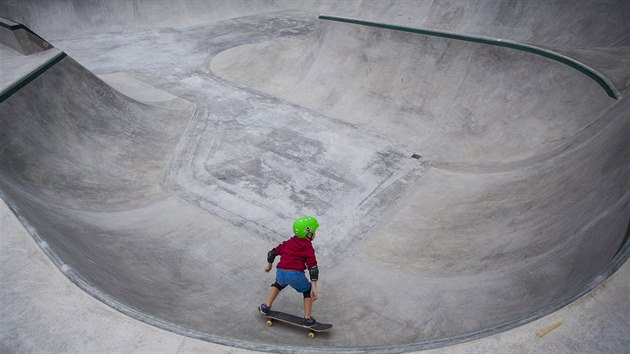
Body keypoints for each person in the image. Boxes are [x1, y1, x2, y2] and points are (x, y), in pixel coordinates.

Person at [259, 216, 320, 327]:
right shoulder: (307, 247)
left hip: (281, 272)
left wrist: (269, 265)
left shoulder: (288, 242)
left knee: (277, 285)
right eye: (314, 232)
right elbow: (313, 267)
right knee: (308, 291)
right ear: (308, 234)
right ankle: (307, 319)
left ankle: (266, 307)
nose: (315, 234)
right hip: (295, 274)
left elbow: (272, 253)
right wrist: (314, 288)